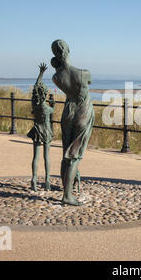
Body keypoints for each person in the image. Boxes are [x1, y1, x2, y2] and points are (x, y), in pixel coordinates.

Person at [50, 39, 95, 206]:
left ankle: (67, 187)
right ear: (68, 50)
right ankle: (67, 195)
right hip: (83, 112)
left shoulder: (56, 77)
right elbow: (87, 83)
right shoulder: (84, 73)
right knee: (74, 156)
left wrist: (58, 66)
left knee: (66, 154)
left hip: (68, 113)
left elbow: (64, 76)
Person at [27, 63, 55, 191]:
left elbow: (36, 86)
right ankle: (48, 179)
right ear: (45, 94)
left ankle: (34, 178)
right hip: (47, 132)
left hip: (37, 131)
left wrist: (41, 74)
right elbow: (52, 110)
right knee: (46, 156)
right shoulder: (47, 108)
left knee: (35, 157)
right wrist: (52, 104)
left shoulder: (34, 103)